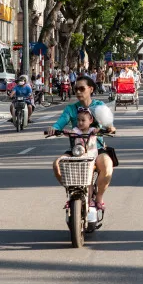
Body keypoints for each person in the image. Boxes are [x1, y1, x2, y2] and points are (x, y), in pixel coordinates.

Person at [47, 75, 116, 211]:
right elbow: (60, 123)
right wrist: (54, 128)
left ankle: (99, 198)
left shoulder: (99, 106)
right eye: (76, 89)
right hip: (76, 149)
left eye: (81, 89)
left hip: (96, 149)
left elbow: (109, 124)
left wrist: (110, 128)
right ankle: (73, 194)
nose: (78, 92)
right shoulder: (70, 109)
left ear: (91, 89)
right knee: (57, 164)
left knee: (108, 166)